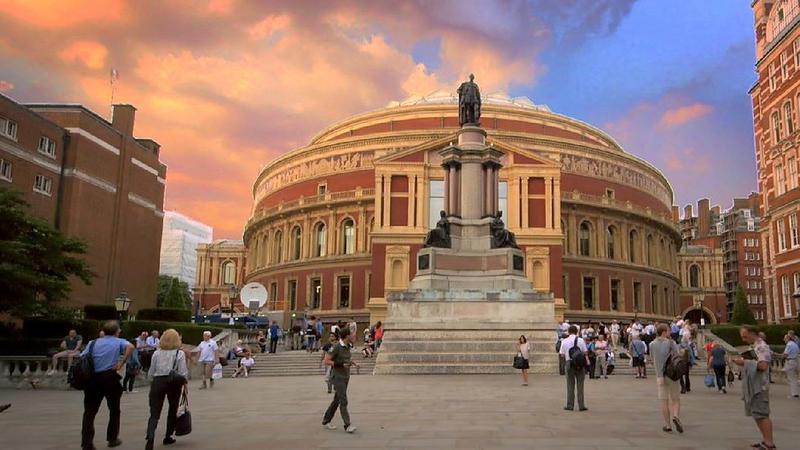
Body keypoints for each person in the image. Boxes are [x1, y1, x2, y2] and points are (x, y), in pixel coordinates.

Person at [80, 321, 134, 450]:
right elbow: (131, 347)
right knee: (114, 409)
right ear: (117, 332)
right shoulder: (118, 341)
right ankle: (112, 438)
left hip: (93, 379)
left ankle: (87, 443)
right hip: (110, 377)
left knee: (89, 412)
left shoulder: (93, 343)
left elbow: (82, 356)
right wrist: (121, 363)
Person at [145, 329, 188, 450]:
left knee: (154, 412)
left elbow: (151, 372)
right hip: (173, 382)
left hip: (158, 381)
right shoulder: (179, 354)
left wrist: (152, 383)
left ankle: (150, 437)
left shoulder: (157, 353)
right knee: (172, 408)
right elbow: (183, 372)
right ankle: (168, 435)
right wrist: (185, 384)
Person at [733, 325, 775, 450]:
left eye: (745, 337)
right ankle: (765, 440)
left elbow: (763, 366)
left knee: (762, 414)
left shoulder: (762, 347)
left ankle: (769, 443)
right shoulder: (754, 347)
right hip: (753, 384)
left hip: (760, 385)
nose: (744, 340)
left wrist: (744, 362)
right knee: (756, 413)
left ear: (752, 333)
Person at [322, 327, 360, 433]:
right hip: (337, 377)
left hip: (345, 376)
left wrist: (353, 363)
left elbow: (346, 359)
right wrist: (341, 365)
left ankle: (326, 420)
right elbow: (327, 361)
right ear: (347, 336)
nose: (354, 336)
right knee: (343, 400)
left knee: (336, 400)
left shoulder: (347, 346)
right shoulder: (336, 347)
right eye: (352, 334)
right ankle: (347, 425)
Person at [649, 323, 682, 433]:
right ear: (663, 332)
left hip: (660, 376)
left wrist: (659, 374)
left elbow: (652, 358)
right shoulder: (671, 343)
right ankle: (676, 416)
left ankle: (668, 425)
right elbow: (677, 355)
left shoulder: (652, 344)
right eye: (668, 330)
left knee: (664, 401)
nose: (670, 332)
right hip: (672, 374)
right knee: (675, 399)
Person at [559, 325, 588, 411]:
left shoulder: (564, 341)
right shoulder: (581, 340)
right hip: (579, 363)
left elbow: (562, 354)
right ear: (576, 332)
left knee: (570, 385)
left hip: (569, 363)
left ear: (568, 331)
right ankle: (581, 405)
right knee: (580, 385)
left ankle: (570, 405)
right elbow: (585, 351)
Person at [783, 333, 799, 399]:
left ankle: (794, 394)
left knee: (791, 379)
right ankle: (795, 393)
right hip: (795, 361)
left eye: (784, 338)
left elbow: (785, 354)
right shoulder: (795, 344)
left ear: (787, 338)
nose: (784, 340)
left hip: (790, 361)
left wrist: (777, 355)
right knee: (794, 378)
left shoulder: (789, 344)